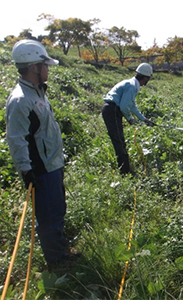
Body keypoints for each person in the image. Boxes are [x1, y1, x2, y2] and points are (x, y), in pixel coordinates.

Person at [5, 39, 77, 271]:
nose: (48, 69)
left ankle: (60, 248)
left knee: (57, 209)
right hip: (41, 169)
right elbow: (16, 139)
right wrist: (26, 171)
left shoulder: (37, 92)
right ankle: (57, 262)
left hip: (53, 163)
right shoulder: (20, 100)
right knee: (48, 216)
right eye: (44, 65)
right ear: (34, 67)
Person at [102, 63, 156, 175]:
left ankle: (125, 169)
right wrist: (129, 119)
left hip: (112, 110)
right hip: (112, 110)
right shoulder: (132, 86)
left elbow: (131, 105)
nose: (147, 82)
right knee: (119, 142)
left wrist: (144, 119)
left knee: (120, 140)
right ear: (145, 78)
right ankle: (125, 172)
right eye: (148, 79)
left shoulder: (131, 84)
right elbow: (124, 106)